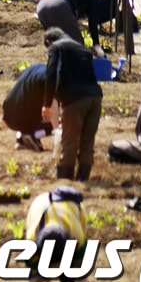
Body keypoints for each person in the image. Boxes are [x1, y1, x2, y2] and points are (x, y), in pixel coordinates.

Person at [43, 26, 103, 181]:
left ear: (49, 41)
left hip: (75, 98)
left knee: (70, 140)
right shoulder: (82, 48)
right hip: (95, 97)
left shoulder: (56, 47)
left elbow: (51, 73)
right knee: (87, 141)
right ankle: (83, 179)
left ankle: (65, 181)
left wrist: (47, 103)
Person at [23, 186, 87, 282]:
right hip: (39, 206)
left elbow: (82, 268)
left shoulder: (76, 237)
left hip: (73, 212)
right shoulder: (31, 243)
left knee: (69, 277)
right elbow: (35, 274)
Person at [3, 62, 52, 152]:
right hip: (24, 119)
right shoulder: (50, 79)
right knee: (61, 123)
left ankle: (21, 139)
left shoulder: (36, 67)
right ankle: (33, 135)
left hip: (8, 115)